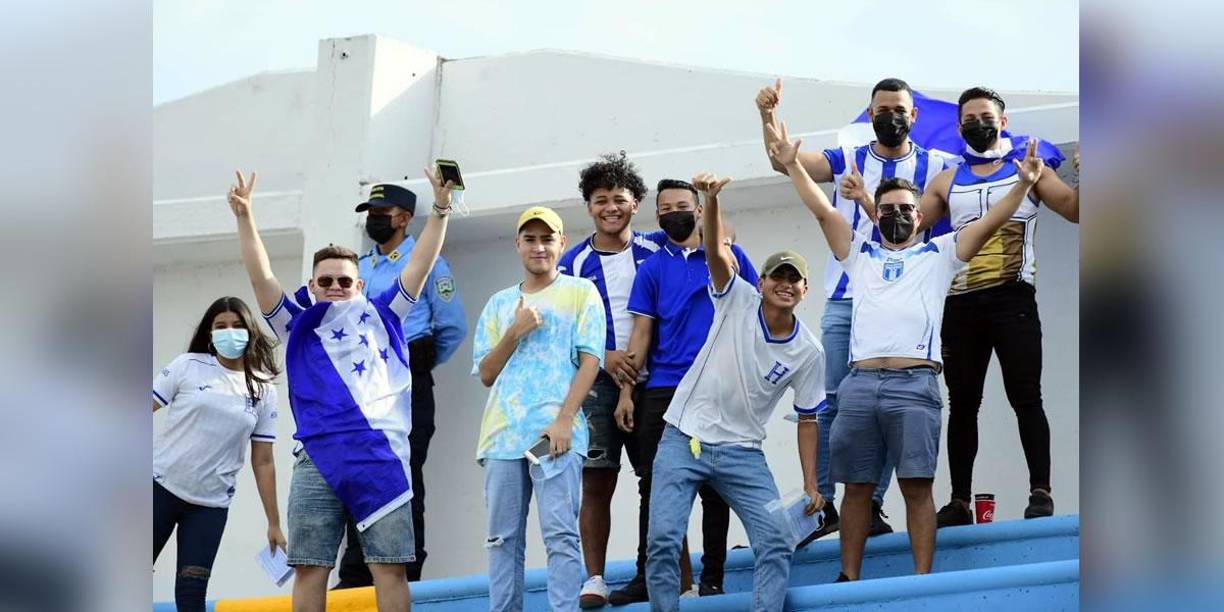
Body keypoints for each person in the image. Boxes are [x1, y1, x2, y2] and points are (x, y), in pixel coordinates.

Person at [769, 119, 1046, 580]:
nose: (896, 215)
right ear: (875, 215)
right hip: (860, 385)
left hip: (914, 386)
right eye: (887, 209)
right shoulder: (859, 254)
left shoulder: (940, 255)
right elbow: (822, 210)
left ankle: (922, 580)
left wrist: (1023, 185)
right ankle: (848, 578)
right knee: (856, 489)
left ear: (920, 217)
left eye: (905, 209)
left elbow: (991, 221)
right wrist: (793, 165)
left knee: (917, 488)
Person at [228, 167, 455, 612]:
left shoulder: (385, 313)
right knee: (310, 568)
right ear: (312, 286)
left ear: (360, 285)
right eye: (326, 281)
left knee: (390, 569)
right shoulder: (296, 324)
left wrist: (442, 208)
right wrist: (245, 217)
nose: (335, 287)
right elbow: (261, 277)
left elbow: (421, 263)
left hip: (380, 457)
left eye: (344, 281)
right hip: (317, 458)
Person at [756, 76, 952, 539]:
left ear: (914, 115)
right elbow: (786, 161)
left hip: (899, 302)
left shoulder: (937, 165)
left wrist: (865, 200)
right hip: (846, 296)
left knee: (889, 405)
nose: (890, 117)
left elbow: (908, 231)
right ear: (870, 113)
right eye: (881, 110)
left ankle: (873, 505)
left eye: (899, 109)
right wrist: (767, 116)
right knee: (831, 402)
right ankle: (822, 504)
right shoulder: (848, 156)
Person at [644, 172, 826, 612]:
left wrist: (809, 482)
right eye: (777, 276)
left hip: (742, 453)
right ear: (759, 282)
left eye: (794, 279)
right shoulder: (736, 298)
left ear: (804, 290)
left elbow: (807, 418)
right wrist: (709, 200)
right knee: (663, 541)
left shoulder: (809, 351)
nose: (785, 284)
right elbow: (714, 252)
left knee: (776, 541)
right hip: (683, 437)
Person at [906, 87, 1078, 526]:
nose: (976, 124)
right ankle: (960, 501)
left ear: (1003, 122)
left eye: (985, 116)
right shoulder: (945, 180)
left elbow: (1075, 210)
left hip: (1012, 298)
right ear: (959, 126)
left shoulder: (1031, 170)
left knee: (1026, 396)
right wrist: (867, 199)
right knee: (963, 403)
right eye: (969, 118)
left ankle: (1040, 491)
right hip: (959, 302)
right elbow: (906, 227)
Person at [610, 179, 759, 605]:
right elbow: (641, 333)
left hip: (718, 385)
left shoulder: (729, 256)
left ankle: (712, 579)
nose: (674, 213)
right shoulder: (652, 268)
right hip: (664, 389)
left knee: (716, 485)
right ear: (657, 216)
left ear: (698, 210)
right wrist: (626, 393)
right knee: (655, 484)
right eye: (666, 208)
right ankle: (654, 577)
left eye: (682, 205)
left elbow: (754, 314)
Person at [472, 206, 606, 612]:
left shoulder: (580, 292)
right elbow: (486, 373)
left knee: (560, 534)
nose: (539, 247)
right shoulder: (499, 303)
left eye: (547, 238)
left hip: (556, 434)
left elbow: (591, 361)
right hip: (502, 437)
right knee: (501, 539)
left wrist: (564, 420)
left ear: (561, 243)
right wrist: (514, 332)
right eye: (529, 239)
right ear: (517, 244)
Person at [335, 181, 468, 586]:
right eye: (371, 213)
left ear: (405, 218)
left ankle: (406, 568)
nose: (374, 219)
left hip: (409, 383)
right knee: (360, 472)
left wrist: (413, 365)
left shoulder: (428, 262)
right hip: (363, 386)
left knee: (405, 473)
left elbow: (452, 328)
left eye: (382, 212)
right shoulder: (360, 268)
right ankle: (356, 570)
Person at [556, 153, 666, 608]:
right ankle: (595, 578)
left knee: (661, 481)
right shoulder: (573, 262)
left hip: (654, 381)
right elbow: (564, 327)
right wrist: (605, 356)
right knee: (597, 480)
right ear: (589, 207)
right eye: (600, 200)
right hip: (596, 383)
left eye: (619, 199)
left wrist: (634, 366)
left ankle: (668, 576)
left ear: (635, 203)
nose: (610, 208)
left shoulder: (656, 251)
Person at [153, 296, 284, 612]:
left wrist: (274, 523)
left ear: (250, 331)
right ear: (210, 334)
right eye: (221, 326)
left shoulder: (263, 389)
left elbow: (263, 460)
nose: (230, 332)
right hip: (159, 489)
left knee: (192, 596)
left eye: (237, 326)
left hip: (210, 507)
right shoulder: (187, 366)